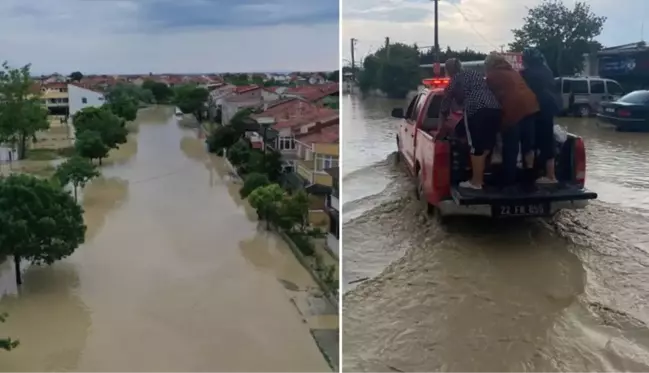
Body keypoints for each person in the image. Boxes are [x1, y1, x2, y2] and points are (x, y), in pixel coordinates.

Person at [439, 58, 502, 190]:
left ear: (448, 70)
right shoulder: (475, 74)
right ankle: (483, 175)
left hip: (476, 110)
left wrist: (440, 130)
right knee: (487, 145)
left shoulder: (454, 81)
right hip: (495, 109)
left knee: (475, 147)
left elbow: (444, 107)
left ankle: (476, 182)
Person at [484, 52, 539, 187]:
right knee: (528, 145)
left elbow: (487, 99)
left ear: (489, 64)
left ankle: (508, 181)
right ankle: (530, 178)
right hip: (531, 107)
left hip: (514, 111)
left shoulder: (492, 76)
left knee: (511, 147)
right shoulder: (513, 72)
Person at [520, 48, 560, 184]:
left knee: (529, 142)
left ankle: (530, 175)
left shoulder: (526, 74)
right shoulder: (548, 72)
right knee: (547, 142)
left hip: (534, 109)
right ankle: (551, 176)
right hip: (549, 109)